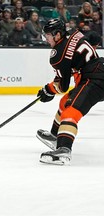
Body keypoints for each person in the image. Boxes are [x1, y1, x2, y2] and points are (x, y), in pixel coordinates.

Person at [36, 18, 104, 165]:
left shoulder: (57, 54)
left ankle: (63, 150)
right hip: (97, 73)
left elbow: (62, 85)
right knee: (64, 102)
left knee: (70, 112)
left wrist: (48, 89)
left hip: (95, 80)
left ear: (58, 35)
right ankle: (56, 136)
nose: (45, 39)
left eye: (47, 35)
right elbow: (93, 39)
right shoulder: (74, 34)